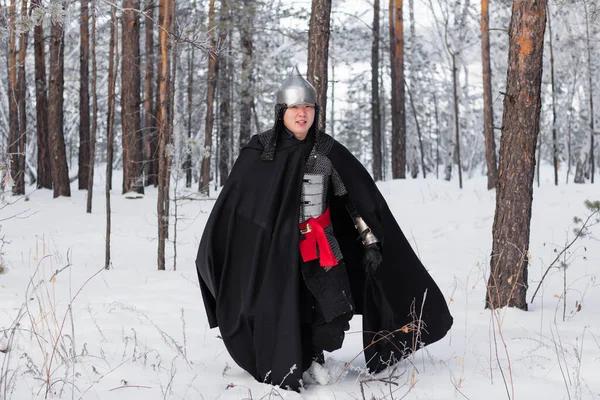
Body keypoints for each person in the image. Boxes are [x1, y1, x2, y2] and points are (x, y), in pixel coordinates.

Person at [196, 67, 453, 391]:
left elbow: (354, 201)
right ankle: (292, 361)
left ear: (315, 112)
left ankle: (314, 353)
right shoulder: (259, 151)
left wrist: (370, 241)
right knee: (280, 310)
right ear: (282, 113)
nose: (302, 114)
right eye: (295, 108)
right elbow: (237, 207)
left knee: (335, 312)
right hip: (275, 253)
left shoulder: (326, 151)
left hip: (321, 246)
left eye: (308, 108)